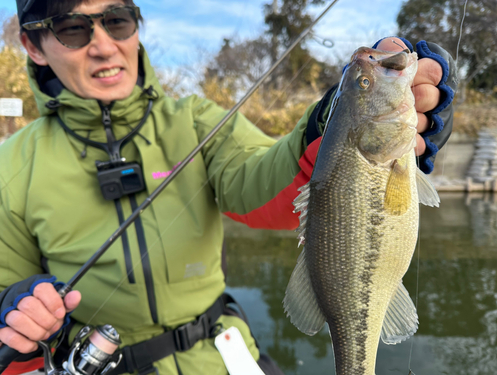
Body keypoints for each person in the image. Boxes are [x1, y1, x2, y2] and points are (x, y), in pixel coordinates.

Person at [0, 0, 457, 374]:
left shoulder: (197, 119)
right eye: (73, 28)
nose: (103, 45)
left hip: (224, 354)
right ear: (33, 45)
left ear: (135, 27)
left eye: (117, 20)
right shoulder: (10, 166)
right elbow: (6, 290)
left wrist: (327, 128)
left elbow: (266, 191)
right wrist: (14, 308)